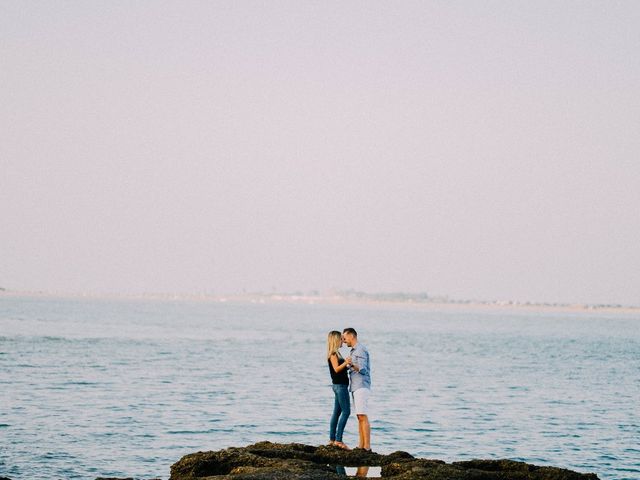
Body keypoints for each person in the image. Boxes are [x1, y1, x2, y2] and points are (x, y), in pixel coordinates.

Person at [342, 327, 371, 451]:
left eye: (345, 338)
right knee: (359, 416)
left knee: (362, 416)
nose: (343, 341)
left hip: (361, 386)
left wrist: (351, 364)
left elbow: (363, 369)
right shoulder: (353, 351)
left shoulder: (360, 350)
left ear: (351, 336)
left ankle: (367, 447)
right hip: (355, 386)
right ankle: (361, 445)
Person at [327, 330, 351, 449]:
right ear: (336, 340)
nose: (343, 341)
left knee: (337, 413)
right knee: (346, 412)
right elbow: (336, 369)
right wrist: (346, 362)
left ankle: (332, 439)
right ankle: (338, 440)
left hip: (339, 385)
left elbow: (340, 369)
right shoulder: (333, 354)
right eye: (341, 339)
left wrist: (347, 366)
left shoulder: (337, 354)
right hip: (340, 386)